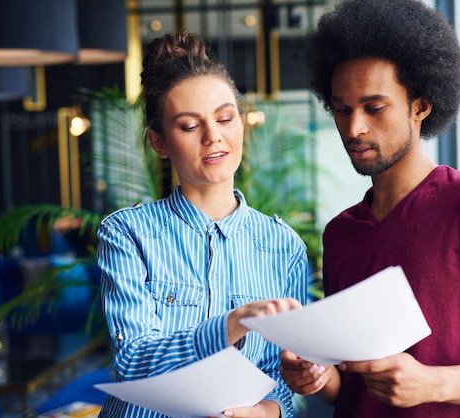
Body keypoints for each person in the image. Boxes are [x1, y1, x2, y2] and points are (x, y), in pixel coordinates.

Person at [279, 0, 460, 417]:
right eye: (341, 109)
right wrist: (316, 377)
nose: (354, 128)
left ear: (420, 106)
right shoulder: (340, 234)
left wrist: (433, 382)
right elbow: (347, 387)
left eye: (374, 108)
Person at [96, 29, 308, 418]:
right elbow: (133, 361)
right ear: (159, 142)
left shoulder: (284, 247)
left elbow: (283, 378)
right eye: (190, 127)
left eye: (225, 118)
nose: (214, 136)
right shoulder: (128, 234)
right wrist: (232, 323)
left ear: (241, 123)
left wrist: (266, 412)